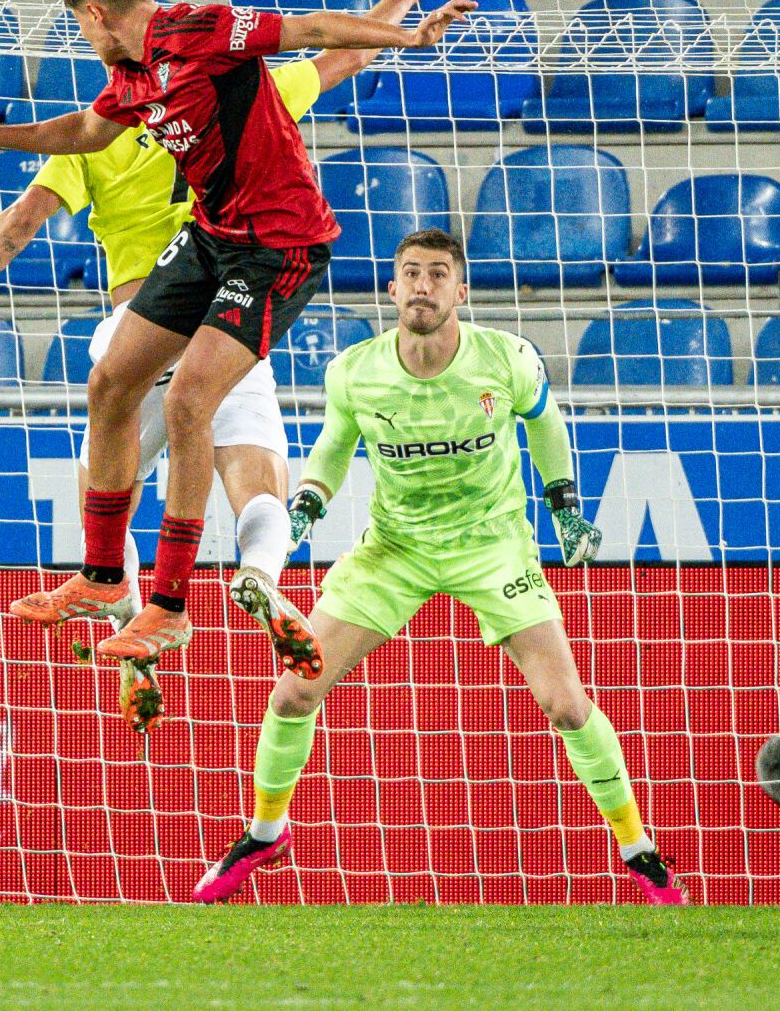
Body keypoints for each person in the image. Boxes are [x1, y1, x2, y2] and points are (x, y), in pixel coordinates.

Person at [0, 0, 454, 726]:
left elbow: (313, 28)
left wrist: (408, 35)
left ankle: (166, 605)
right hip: (211, 237)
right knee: (110, 384)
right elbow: (86, 128)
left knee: (191, 400)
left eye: (79, 27)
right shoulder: (133, 76)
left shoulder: (204, 27)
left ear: (95, 14)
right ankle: (105, 576)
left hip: (278, 245)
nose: (83, 40)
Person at [192, 229, 688, 906]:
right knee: (292, 694)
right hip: (395, 547)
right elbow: (335, 448)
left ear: (459, 290)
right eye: (411, 273)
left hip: (492, 544)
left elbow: (545, 425)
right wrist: (306, 505)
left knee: (567, 705)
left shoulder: (506, 359)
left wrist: (565, 506)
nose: (423, 284)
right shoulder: (355, 371)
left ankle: (640, 851)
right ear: (393, 289)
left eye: (437, 274)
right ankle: (264, 833)